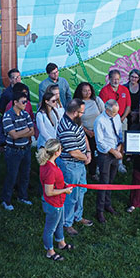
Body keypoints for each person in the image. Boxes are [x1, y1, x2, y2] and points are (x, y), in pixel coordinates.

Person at [56, 98, 93, 236]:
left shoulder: (76, 121)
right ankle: (67, 223)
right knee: (70, 196)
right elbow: (73, 152)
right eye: (81, 112)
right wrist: (86, 158)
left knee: (81, 192)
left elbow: (83, 137)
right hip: (70, 165)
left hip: (79, 163)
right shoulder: (66, 127)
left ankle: (78, 216)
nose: (83, 114)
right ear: (74, 112)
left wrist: (88, 152)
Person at [37, 139, 75, 261]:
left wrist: (63, 184)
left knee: (59, 224)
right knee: (50, 228)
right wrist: (65, 191)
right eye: (60, 149)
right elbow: (49, 191)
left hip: (59, 202)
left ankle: (61, 243)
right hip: (53, 204)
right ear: (57, 152)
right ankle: (50, 251)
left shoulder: (50, 163)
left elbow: (55, 181)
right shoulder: (50, 170)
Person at [0, 92, 34, 210]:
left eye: (26, 101)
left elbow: (32, 131)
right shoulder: (8, 116)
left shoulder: (25, 114)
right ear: (15, 102)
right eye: (23, 102)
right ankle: (6, 200)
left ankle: (22, 196)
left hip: (26, 148)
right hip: (13, 151)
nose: (26, 104)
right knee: (12, 176)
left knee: (25, 174)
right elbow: (13, 135)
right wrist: (25, 131)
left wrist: (21, 132)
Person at [93, 99, 123, 223]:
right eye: (113, 113)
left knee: (111, 181)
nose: (116, 115)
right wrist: (113, 151)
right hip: (105, 154)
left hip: (116, 152)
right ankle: (99, 211)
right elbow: (100, 141)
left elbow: (119, 133)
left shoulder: (116, 116)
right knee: (103, 182)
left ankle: (107, 204)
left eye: (117, 113)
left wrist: (119, 147)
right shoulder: (99, 121)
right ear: (107, 110)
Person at [74, 82, 104, 180]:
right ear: (80, 91)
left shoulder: (97, 100)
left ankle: (100, 170)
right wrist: (87, 131)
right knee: (89, 151)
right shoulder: (77, 103)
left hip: (98, 132)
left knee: (100, 152)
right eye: (85, 91)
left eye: (89, 90)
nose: (87, 93)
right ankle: (91, 172)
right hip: (84, 133)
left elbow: (104, 114)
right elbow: (76, 120)